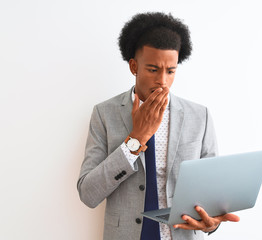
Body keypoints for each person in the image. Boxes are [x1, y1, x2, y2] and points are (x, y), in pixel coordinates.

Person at [77, 12, 240, 240]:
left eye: (170, 71)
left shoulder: (199, 116)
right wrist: (135, 140)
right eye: (153, 70)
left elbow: (212, 194)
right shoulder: (104, 114)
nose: (162, 81)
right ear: (134, 66)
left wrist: (211, 224)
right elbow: (88, 193)